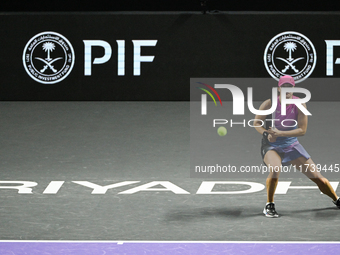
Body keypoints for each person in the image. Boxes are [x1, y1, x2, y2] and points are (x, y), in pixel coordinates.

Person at [254, 75, 340, 217]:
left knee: (318, 178)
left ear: (293, 89)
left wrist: (279, 133)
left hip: (291, 145)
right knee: (275, 168)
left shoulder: (299, 104)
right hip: (271, 145)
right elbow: (257, 122)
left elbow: (302, 130)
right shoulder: (269, 103)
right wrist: (265, 134)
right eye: (284, 87)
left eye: (290, 87)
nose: (287, 90)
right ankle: (269, 205)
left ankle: (336, 199)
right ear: (278, 89)